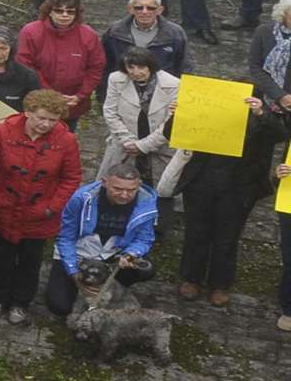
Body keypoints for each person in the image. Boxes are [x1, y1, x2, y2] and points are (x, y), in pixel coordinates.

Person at [0, 89, 83, 323]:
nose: (46, 124)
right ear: (27, 112)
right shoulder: (2, 132)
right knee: (2, 257)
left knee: (30, 261)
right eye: (41, 118)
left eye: (53, 120)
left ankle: (21, 302)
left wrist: (51, 207)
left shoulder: (67, 141)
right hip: (4, 209)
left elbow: (71, 177)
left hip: (39, 214)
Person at [166, 96, 288, 306]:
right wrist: (177, 115)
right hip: (201, 182)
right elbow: (171, 134)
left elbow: (280, 135)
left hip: (238, 188)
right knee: (196, 232)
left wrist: (260, 114)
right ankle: (191, 278)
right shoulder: (208, 114)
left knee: (227, 238)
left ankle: (220, 284)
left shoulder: (261, 122)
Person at [48, 167, 159, 317]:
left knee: (146, 269)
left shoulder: (148, 203)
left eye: (131, 190)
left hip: (113, 255)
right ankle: (78, 284)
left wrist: (130, 254)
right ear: (104, 182)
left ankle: (112, 286)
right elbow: (66, 237)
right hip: (79, 253)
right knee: (59, 307)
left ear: (139, 184)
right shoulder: (80, 198)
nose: (124, 195)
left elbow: (144, 239)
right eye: (117, 189)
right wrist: (74, 272)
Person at [97, 46, 180, 236]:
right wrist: (128, 141)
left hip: (159, 148)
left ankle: (157, 230)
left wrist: (144, 145)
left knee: (160, 188)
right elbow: (110, 112)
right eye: (131, 68)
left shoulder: (173, 84)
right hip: (124, 145)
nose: (136, 73)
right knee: (119, 184)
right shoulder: (116, 79)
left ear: (151, 66)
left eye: (141, 67)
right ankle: (115, 225)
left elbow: (172, 121)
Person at [17, 0, 106, 128]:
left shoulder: (89, 35)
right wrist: (50, 94)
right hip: (37, 102)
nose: (64, 15)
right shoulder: (30, 32)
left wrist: (80, 95)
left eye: (70, 11)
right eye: (59, 11)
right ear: (49, 11)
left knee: (63, 142)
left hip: (72, 105)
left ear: (77, 14)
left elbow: (96, 67)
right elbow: (26, 66)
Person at [101, 0, 193, 84]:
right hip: (123, 88)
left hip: (161, 90)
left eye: (151, 8)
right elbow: (104, 64)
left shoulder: (175, 33)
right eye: (139, 7)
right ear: (130, 9)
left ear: (160, 10)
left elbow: (185, 67)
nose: (145, 12)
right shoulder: (115, 31)